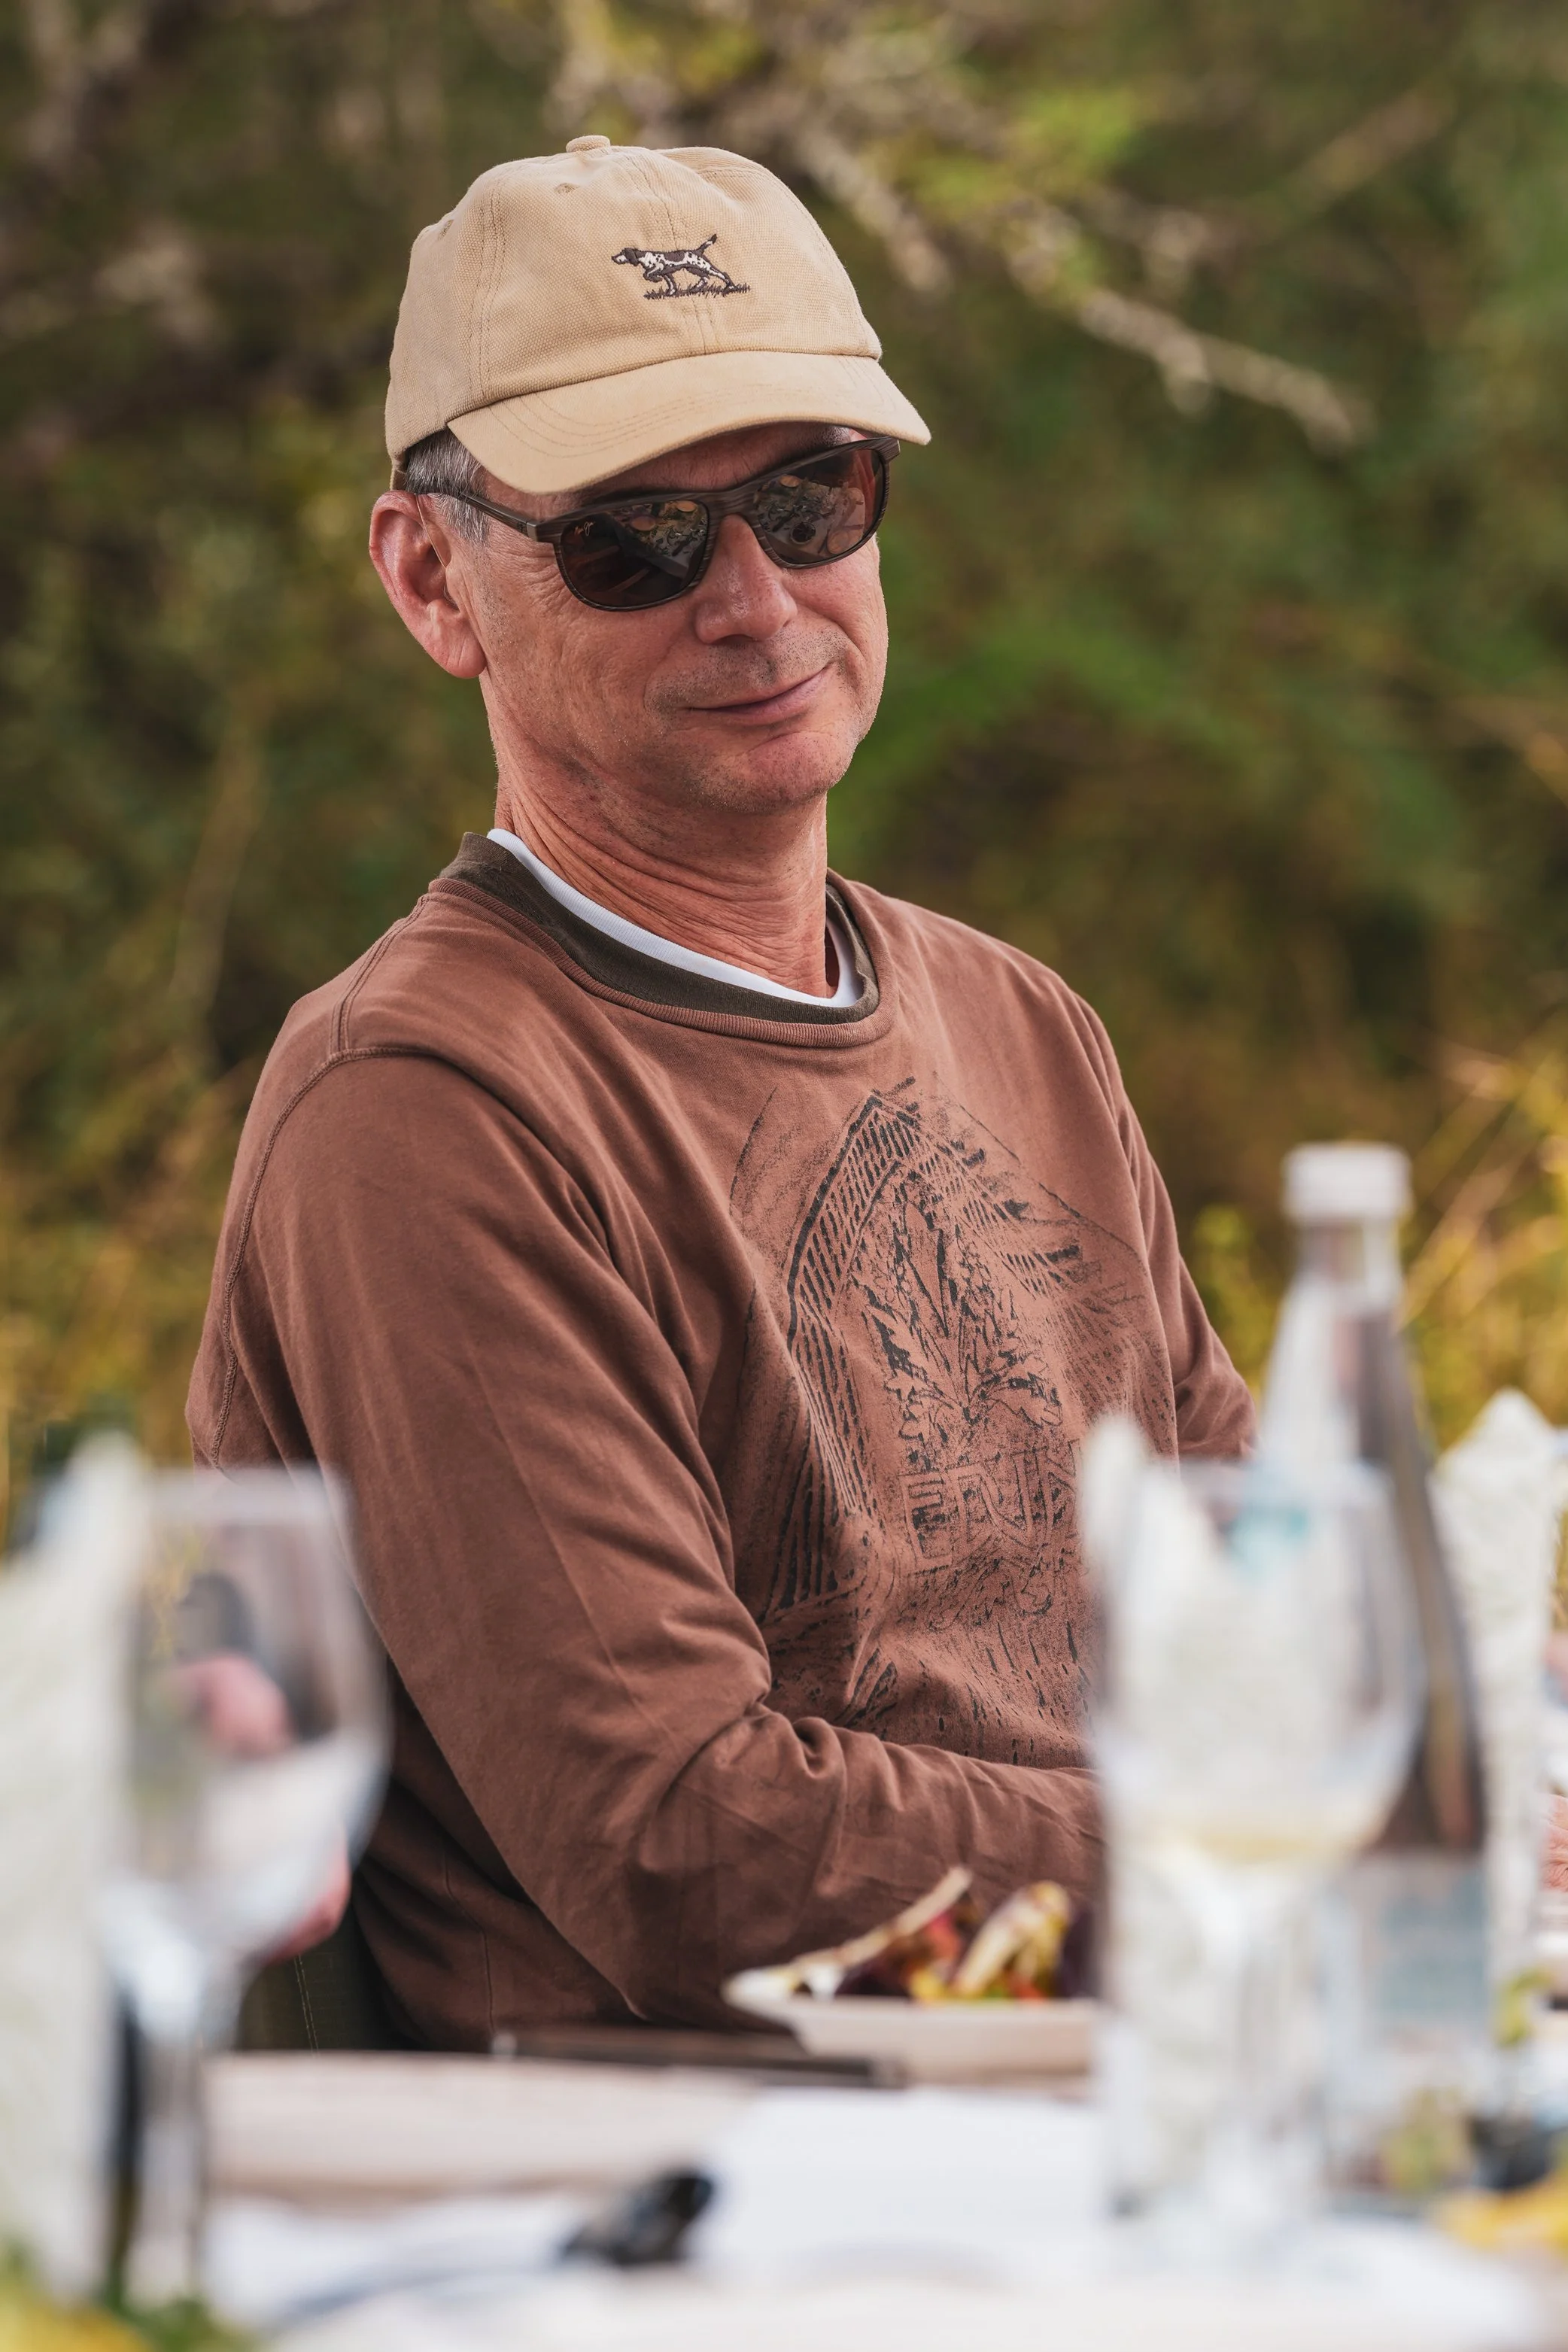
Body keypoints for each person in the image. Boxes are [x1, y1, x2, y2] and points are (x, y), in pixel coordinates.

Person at [188, 138, 1254, 2047]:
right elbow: (681, 1841)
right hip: (716, 2185)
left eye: (809, 496)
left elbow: (1264, 1595)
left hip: (1167, 2078)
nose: (755, 599)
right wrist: (1287, 1866)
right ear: (434, 581)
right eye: (633, 538)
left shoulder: (1024, 1021)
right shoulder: (420, 1100)